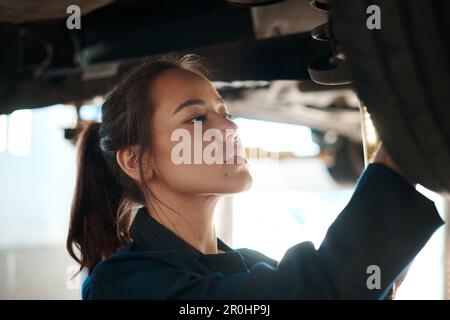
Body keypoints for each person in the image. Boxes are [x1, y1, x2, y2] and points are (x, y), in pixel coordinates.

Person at [66, 54, 444, 299]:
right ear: (137, 161)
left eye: (224, 112)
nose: (229, 127)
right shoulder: (122, 285)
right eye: (197, 118)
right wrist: (400, 146)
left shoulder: (248, 264)